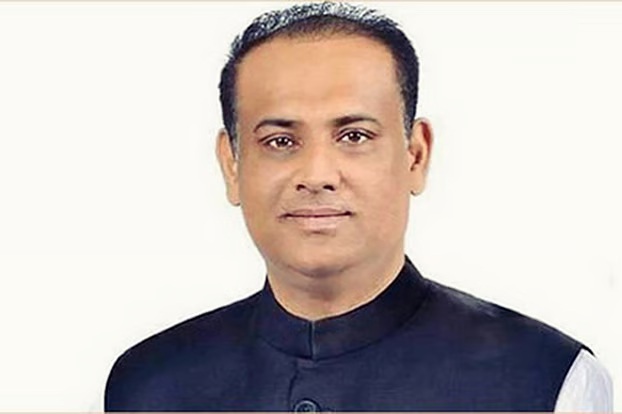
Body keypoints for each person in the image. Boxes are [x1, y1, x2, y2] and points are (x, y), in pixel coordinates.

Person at [104, 2, 612, 411]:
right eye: (280, 141)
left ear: (415, 155)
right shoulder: (147, 386)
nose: (316, 175)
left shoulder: (545, 381)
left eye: (354, 136)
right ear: (232, 164)